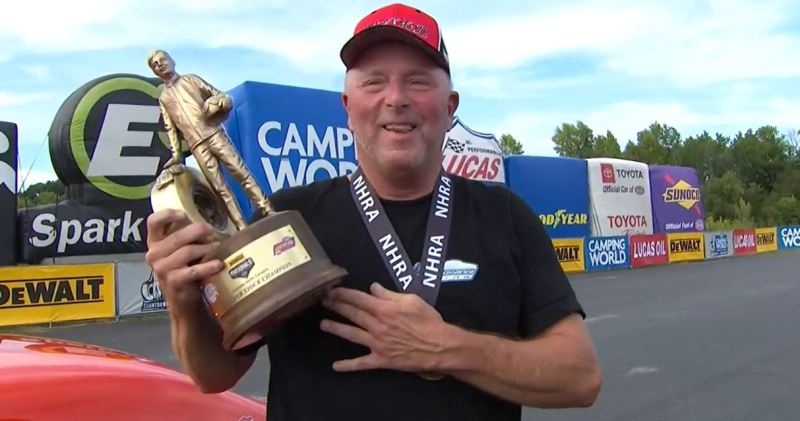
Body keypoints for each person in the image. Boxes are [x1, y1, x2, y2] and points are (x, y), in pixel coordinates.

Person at [144, 3, 601, 421]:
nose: (395, 97)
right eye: (374, 81)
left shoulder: (505, 215)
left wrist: (446, 347)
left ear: (450, 108)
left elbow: (579, 378)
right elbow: (215, 375)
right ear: (348, 108)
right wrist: (183, 302)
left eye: (418, 80)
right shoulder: (287, 218)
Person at [147, 49, 271, 230]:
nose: (160, 65)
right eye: (155, 65)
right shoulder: (164, 98)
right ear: (155, 72)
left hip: (214, 134)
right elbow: (170, 128)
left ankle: (267, 209)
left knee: (241, 173)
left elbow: (220, 95)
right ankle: (241, 227)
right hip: (197, 146)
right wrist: (176, 154)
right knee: (220, 189)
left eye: (162, 60)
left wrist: (223, 102)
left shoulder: (191, 80)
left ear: (172, 61)